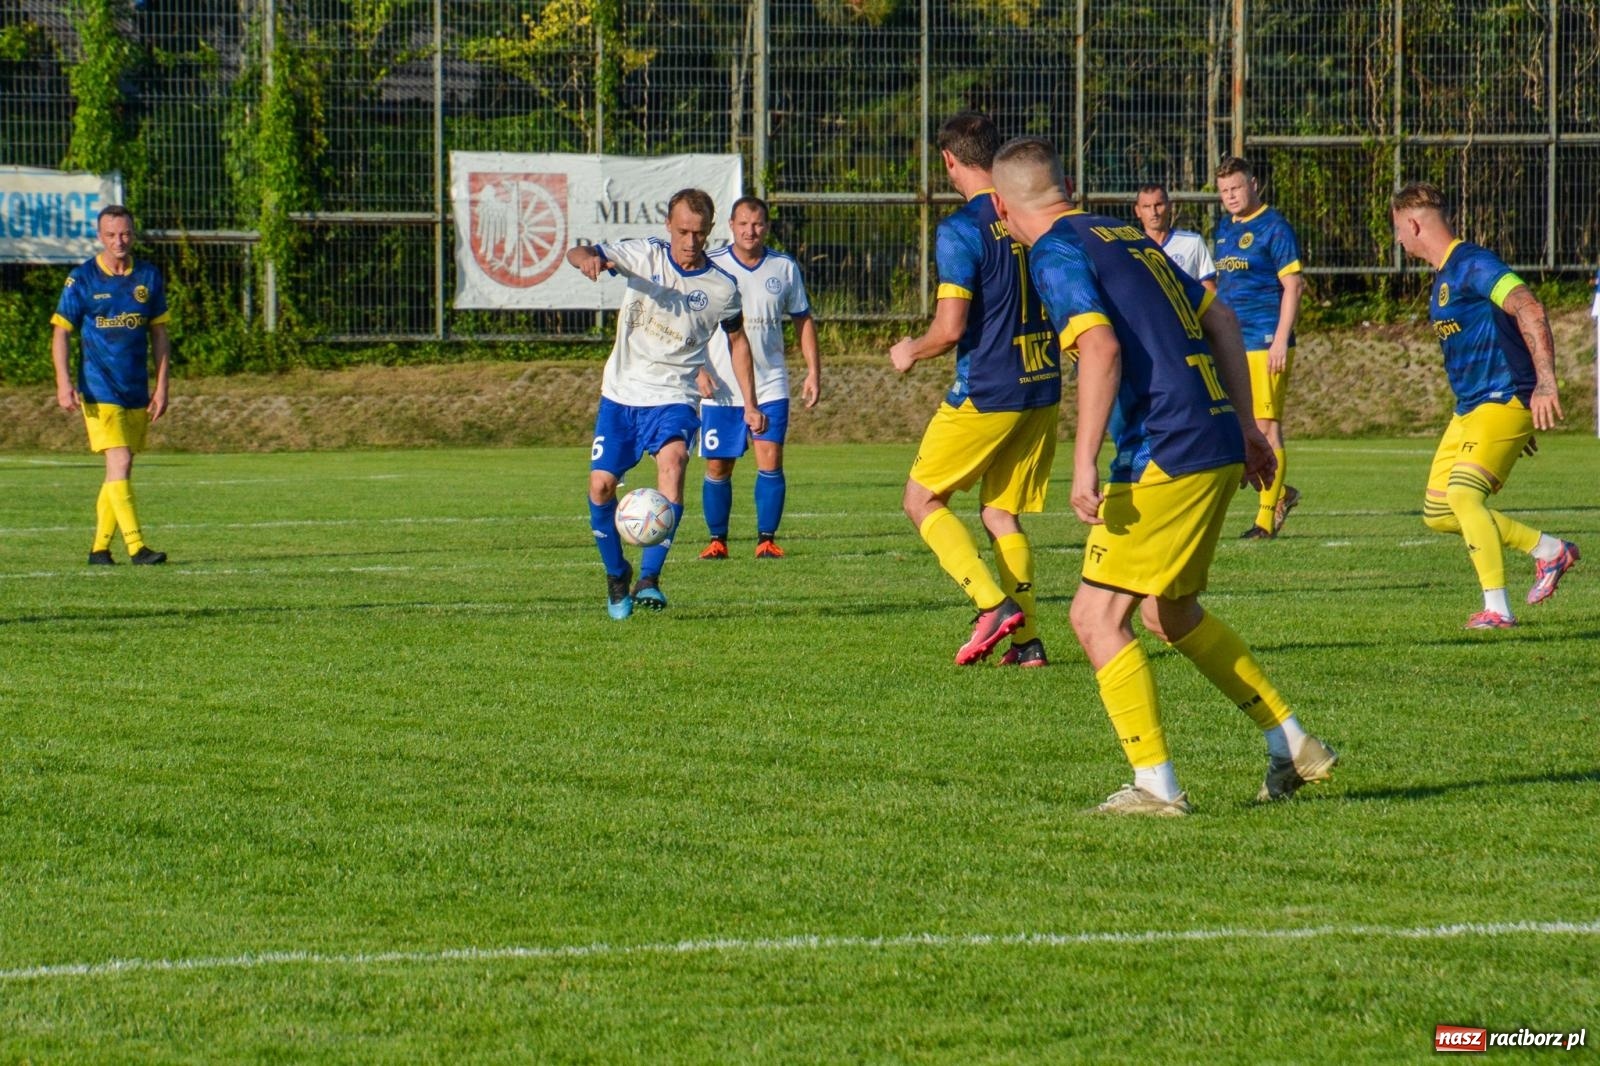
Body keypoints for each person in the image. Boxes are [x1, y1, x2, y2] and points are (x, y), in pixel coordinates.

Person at [991, 137, 1337, 815]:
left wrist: (1084, 459)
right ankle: (1292, 742)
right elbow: (1224, 318)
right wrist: (1244, 427)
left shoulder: (1057, 252)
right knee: (1168, 612)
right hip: (1208, 437)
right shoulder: (1127, 235)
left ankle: (1156, 785)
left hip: (1165, 449)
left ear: (1003, 208)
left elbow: (1100, 346)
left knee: (1094, 618)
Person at [889, 111, 1062, 667]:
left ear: (949, 161)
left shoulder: (962, 229)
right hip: (1043, 383)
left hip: (990, 389)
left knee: (921, 499)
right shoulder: (1030, 212)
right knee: (1000, 514)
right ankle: (1028, 640)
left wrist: (910, 349)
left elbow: (950, 329)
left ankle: (990, 605)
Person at [568, 188, 765, 619]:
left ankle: (649, 580)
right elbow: (580, 250)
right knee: (600, 487)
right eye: (682, 232)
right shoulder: (644, 256)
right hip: (621, 394)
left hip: (675, 396)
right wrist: (586, 259)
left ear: (710, 231)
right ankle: (617, 575)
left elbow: (737, 340)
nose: (690, 242)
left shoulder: (721, 288)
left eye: (698, 233)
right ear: (668, 227)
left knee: (674, 463)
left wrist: (750, 401)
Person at [1390, 181, 1579, 629]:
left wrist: (1543, 386)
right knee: (1438, 512)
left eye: (1399, 229)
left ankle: (1497, 609)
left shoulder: (1474, 263)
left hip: (1501, 399)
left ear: (1414, 223)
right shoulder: (1445, 275)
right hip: (1472, 409)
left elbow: (1528, 307)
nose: (1398, 239)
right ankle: (1549, 550)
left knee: (1462, 495)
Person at [696, 196, 822, 560]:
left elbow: (802, 319)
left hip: (769, 382)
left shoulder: (783, 267)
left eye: (758, 224)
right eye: (743, 224)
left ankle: (766, 540)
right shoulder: (712, 265)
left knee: (770, 456)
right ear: (731, 227)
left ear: (766, 227)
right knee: (719, 464)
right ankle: (717, 540)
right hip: (720, 385)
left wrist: (813, 371)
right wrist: (698, 369)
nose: (750, 231)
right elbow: (693, 321)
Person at [50, 203, 170, 566]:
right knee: (118, 459)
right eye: (111, 235)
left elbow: (160, 336)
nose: (119, 241)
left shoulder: (148, 277)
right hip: (98, 388)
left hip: (135, 387)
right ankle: (137, 547)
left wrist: (163, 387)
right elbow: (61, 333)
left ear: (133, 234)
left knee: (122, 468)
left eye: (125, 233)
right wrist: (63, 382)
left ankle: (99, 549)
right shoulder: (82, 278)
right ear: (100, 237)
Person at [1213, 156, 1303, 539]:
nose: (1230, 196)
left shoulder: (1274, 227)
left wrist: (1281, 338)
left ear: (1253, 184)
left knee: (1266, 427)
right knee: (1235, 428)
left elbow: (1293, 285)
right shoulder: (1224, 229)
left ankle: (1266, 518)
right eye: (1223, 191)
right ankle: (1281, 489)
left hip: (1265, 340)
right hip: (1233, 343)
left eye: (1235, 187)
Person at [1132, 182, 1216, 292]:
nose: (1154, 212)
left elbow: (1210, 291)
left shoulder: (1192, 243)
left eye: (1158, 205)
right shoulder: (1131, 247)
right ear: (1138, 211)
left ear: (1169, 206)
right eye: (1146, 206)